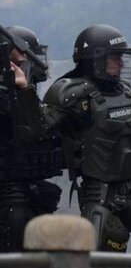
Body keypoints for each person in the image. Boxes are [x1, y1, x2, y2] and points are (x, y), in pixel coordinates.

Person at [41, 24, 131, 252]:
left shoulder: (124, 90)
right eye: (115, 57)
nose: (121, 63)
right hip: (101, 194)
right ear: (95, 59)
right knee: (109, 247)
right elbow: (36, 131)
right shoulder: (71, 92)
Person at [0, 27, 62, 252]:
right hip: (8, 199)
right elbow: (31, 131)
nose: (29, 62)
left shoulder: (21, 93)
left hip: (29, 192)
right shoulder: (7, 94)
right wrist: (23, 88)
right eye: (21, 57)